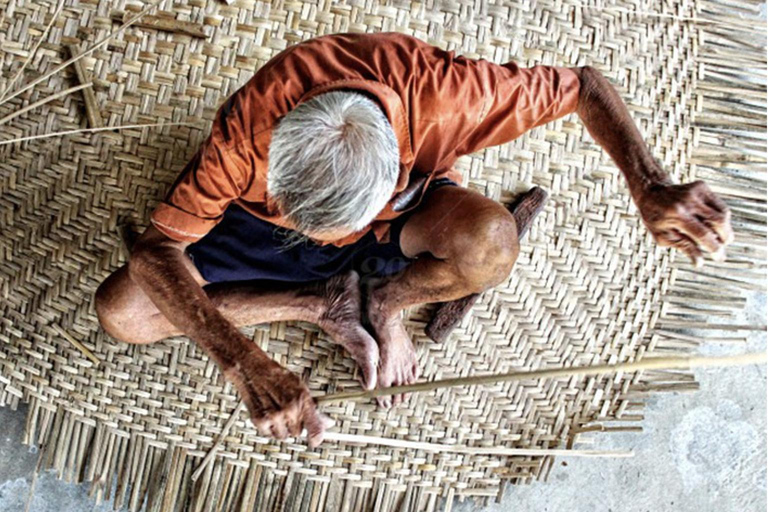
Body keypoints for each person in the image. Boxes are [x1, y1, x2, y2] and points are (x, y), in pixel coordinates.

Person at [94, 32, 733, 447]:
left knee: (491, 243)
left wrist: (649, 183)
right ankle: (327, 302)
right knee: (123, 314)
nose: (320, 239)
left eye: (332, 231)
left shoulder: (451, 97)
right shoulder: (243, 137)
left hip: (403, 218)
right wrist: (242, 360)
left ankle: (382, 300)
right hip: (255, 222)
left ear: (392, 171)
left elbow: (585, 87)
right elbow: (154, 252)